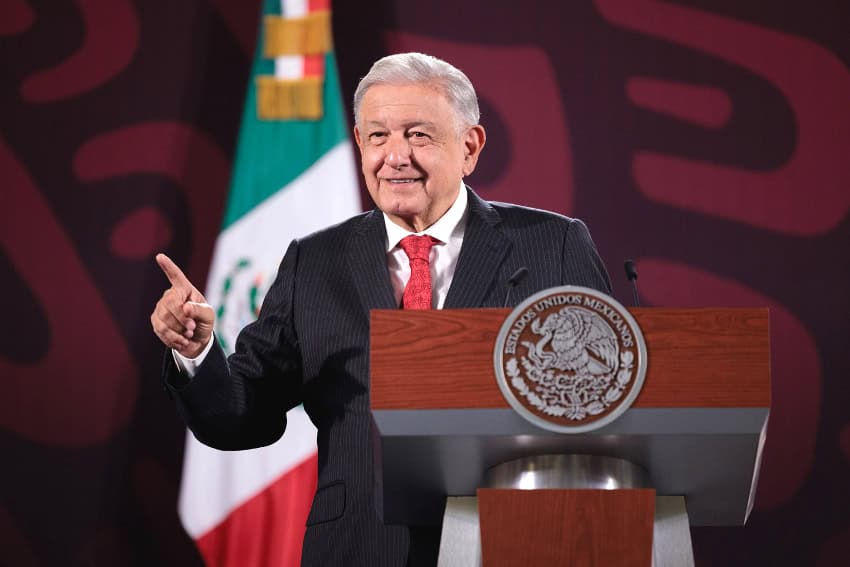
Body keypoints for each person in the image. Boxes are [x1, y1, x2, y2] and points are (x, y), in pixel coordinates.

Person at [151, 52, 611, 566]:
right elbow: (242, 417)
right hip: (358, 548)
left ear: (469, 147)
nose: (395, 156)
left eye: (418, 135)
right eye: (377, 136)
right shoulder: (315, 262)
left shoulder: (553, 245)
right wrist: (198, 352)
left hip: (516, 542)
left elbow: (608, 400)